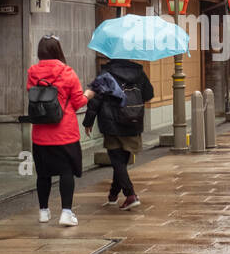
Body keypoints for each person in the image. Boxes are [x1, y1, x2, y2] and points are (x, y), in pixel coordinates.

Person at [26, 36, 94, 226]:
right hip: (65, 133)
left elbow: (32, 95)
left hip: (40, 133)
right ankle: (66, 212)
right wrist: (89, 94)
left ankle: (43, 211)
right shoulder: (67, 73)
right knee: (66, 171)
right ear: (58, 50)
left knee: (43, 174)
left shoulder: (32, 72)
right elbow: (78, 102)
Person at [83, 58, 154, 210]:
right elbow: (149, 93)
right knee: (121, 162)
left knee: (117, 161)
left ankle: (130, 195)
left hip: (112, 123)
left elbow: (95, 100)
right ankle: (113, 195)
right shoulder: (139, 72)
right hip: (133, 121)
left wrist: (88, 122)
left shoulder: (106, 73)